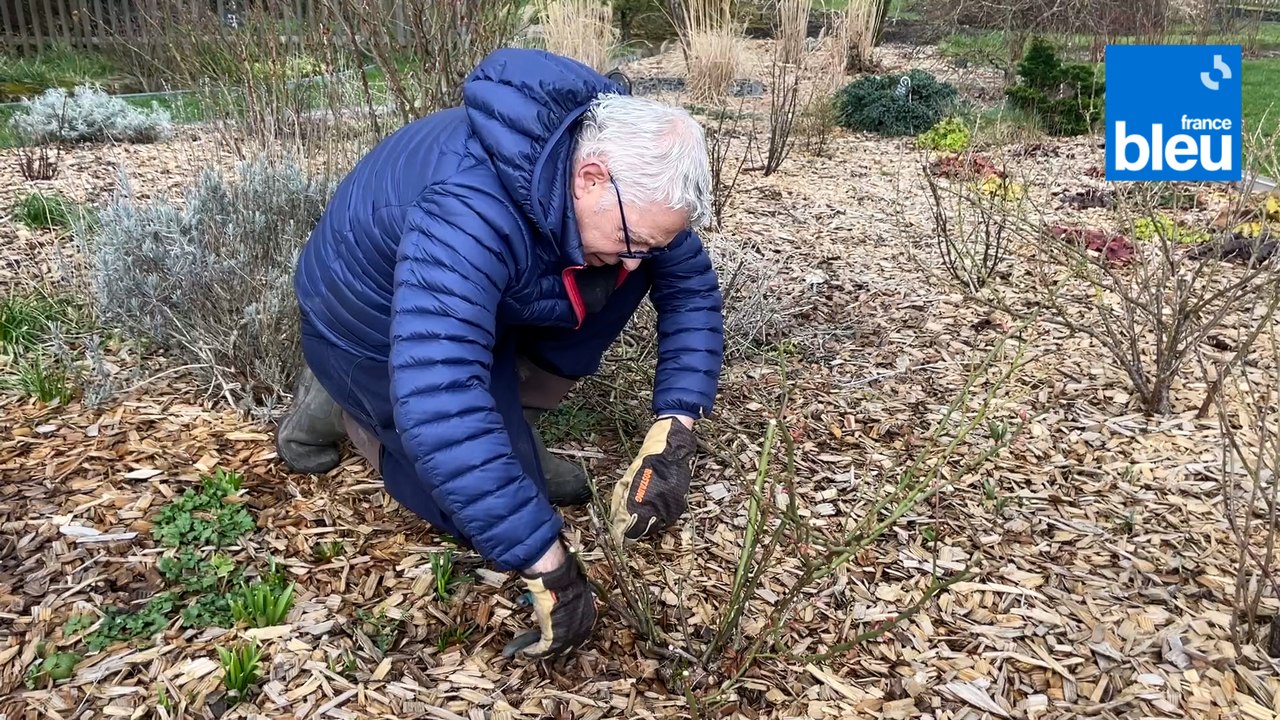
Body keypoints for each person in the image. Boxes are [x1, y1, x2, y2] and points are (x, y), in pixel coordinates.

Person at [272, 48, 725, 659]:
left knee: (627, 271)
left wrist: (675, 429)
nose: (636, 257)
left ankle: (514, 431)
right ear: (590, 177)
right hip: (368, 321)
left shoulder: (622, 173)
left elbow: (689, 284)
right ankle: (335, 399)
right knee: (458, 494)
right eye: (631, 237)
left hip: (477, 289)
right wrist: (547, 566)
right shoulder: (465, 208)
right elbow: (442, 403)